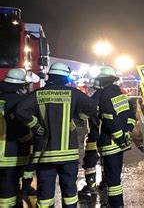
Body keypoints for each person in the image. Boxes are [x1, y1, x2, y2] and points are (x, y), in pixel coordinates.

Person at [15, 63, 97, 207]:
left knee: (45, 196)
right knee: (70, 194)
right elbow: (92, 106)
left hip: (45, 155)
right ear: (65, 77)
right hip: (69, 155)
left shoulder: (38, 94)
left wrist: (36, 126)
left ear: (50, 76)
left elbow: (20, 111)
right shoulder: (73, 93)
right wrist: (77, 120)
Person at [94, 66, 135, 207]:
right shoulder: (120, 95)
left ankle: (116, 205)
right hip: (121, 143)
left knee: (113, 181)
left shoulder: (104, 96)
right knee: (115, 176)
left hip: (110, 143)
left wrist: (119, 138)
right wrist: (127, 131)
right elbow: (131, 115)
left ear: (101, 81)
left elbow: (109, 120)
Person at [0, 69, 33, 207]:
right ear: (22, 85)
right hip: (10, 153)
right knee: (8, 193)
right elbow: (20, 129)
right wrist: (29, 139)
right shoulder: (20, 102)